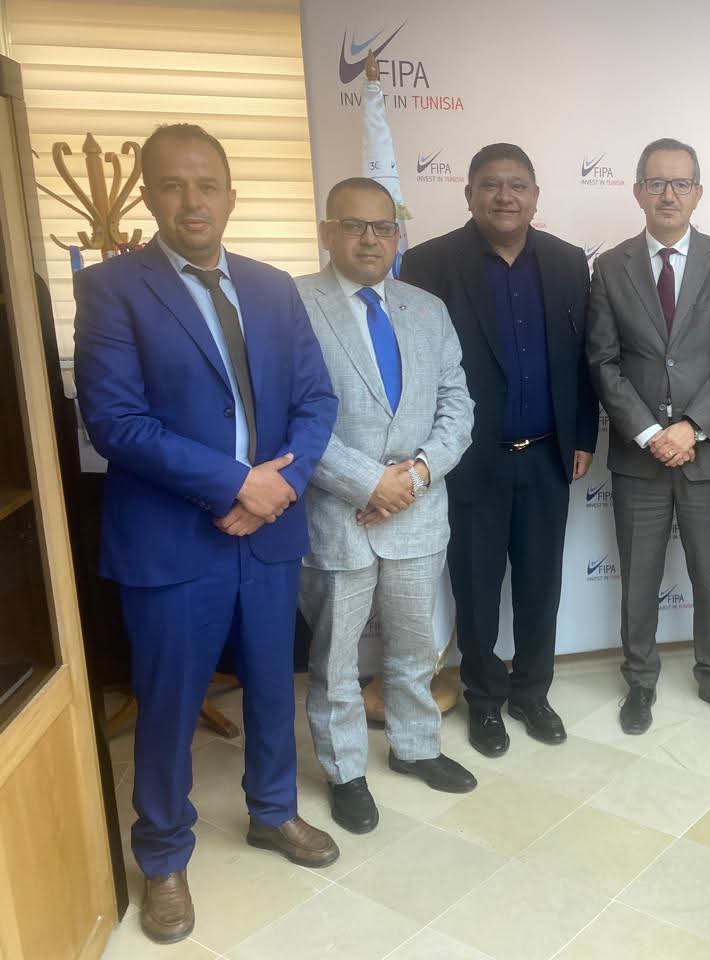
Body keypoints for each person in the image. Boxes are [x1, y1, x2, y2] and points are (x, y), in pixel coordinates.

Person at [73, 123, 339, 944]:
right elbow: (116, 421)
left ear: (231, 195)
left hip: (267, 534)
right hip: (171, 541)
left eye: (208, 185)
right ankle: (161, 854)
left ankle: (272, 811)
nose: (193, 201)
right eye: (173, 185)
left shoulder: (272, 287)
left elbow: (316, 400)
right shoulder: (112, 289)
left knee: (274, 687)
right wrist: (234, 483)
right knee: (169, 705)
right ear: (150, 195)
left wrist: (279, 486)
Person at [398, 144, 597, 757]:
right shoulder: (429, 263)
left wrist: (583, 435)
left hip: (547, 455)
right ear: (469, 194)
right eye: (490, 185)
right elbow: (416, 367)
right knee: (476, 587)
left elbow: (582, 357)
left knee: (541, 585)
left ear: (535, 196)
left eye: (517, 185)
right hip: (468, 460)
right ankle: (484, 699)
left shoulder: (567, 261)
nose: (504, 196)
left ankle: (533, 692)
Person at [295, 177, 477, 835]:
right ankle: (345, 770)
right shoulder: (293, 306)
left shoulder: (427, 308)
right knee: (335, 660)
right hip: (336, 514)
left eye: (382, 227)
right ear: (328, 232)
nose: (370, 239)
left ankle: (416, 747)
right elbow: (290, 417)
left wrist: (417, 476)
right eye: (354, 225)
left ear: (397, 236)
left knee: (413, 645)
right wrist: (370, 483)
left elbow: (458, 404)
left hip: (418, 511)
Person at [587, 137, 710, 734]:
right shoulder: (611, 267)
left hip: (708, 453)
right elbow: (603, 361)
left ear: (698, 193)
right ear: (637, 191)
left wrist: (691, 427)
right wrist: (648, 432)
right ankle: (640, 681)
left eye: (680, 183)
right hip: (640, 457)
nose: (668, 194)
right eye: (656, 183)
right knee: (638, 578)